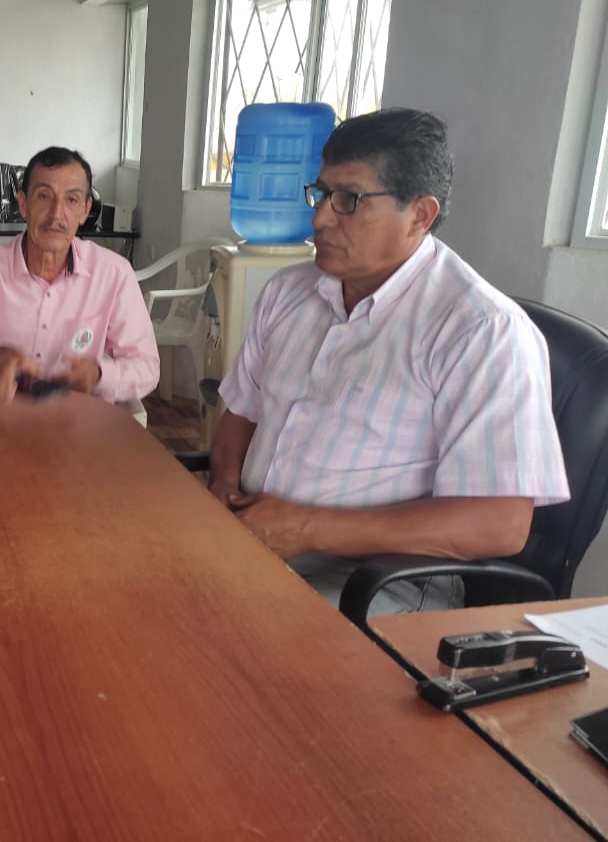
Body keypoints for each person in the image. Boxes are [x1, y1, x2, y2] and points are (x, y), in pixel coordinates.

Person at [208, 108, 569, 614]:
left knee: (216, 640)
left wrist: (306, 528)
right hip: (255, 540)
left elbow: (500, 524)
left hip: (374, 582)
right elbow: (241, 414)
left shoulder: (480, 330)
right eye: (321, 194)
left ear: (420, 215)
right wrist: (224, 487)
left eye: (348, 200)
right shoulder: (288, 293)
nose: (320, 218)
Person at [0, 146, 159, 403]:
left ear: (85, 210)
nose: (56, 214)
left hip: (75, 420)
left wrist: (100, 375)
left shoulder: (113, 274)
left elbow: (146, 367)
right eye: (43, 196)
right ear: (23, 203)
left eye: (72, 200)